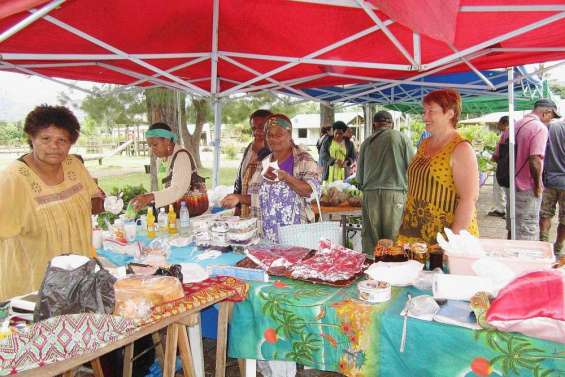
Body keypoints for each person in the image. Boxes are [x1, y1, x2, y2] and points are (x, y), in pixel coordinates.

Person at [0, 105, 103, 300]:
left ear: (71, 143)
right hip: (34, 287)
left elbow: (92, 201)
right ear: (32, 138)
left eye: (62, 140)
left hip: (78, 279)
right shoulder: (12, 179)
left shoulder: (74, 165)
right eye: (45, 139)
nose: (54, 146)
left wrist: (107, 203)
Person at [398, 89, 480, 245]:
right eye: (424, 111)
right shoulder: (424, 144)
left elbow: (468, 200)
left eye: (431, 111)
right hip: (415, 232)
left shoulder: (461, 148)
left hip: (446, 237)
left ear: (450, 113)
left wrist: (453, 244)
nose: (425, 117)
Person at [221, 114, 321, 242]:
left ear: (290, 135)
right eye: (270, 135)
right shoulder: (264, 163)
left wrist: (286, 177)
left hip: (295, 235)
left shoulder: (304, 160)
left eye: (279, 134)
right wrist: (238, 198)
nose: (273, 139)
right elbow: (257, 197)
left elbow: (309, 191)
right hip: (266, 235)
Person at [356, 110, 415, 255]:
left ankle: (371, 271)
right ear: (392, 124)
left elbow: (359, 179)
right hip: (395, 195)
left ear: (374, 125)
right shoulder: (402, 138)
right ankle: (393, 273)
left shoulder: (366, 143)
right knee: (393, 238)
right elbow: (413, 169)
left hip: (370, 195)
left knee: (371, 238)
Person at [499, 99, 555, 240]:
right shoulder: (539, 128)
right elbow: (535, 159)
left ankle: (510, 258)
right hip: (526, 188)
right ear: (546, 113)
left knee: (512, 227)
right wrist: (537, 186)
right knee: (527, 231)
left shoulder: (512, 127)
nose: (550, 120)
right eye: (552, 116)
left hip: (510, 184)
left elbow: (497, 156)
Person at [131, 122, 193, 211]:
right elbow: (165, 188)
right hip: (172, 212)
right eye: (150, 146)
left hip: (187, 214)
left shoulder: (181, 156)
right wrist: (148, 200)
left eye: (155, 144)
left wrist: (151, 197)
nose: (152, 149)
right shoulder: (161, 159)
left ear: (167, 140)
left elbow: (177, 189)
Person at [232, 109, 272, 217]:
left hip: (266, 214)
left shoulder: (278, 151)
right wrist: (238, 206)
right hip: (247, 211)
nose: (256, 132)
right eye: (254, 128)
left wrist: (262, 152)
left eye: (261, 127)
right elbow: (240, 178)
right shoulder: (249, 148)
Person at [539, 119, 565, 255]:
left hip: (550, 179)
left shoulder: (551, 127)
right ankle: (558, 248)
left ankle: (543, 245)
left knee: (545, 214)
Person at [488, 116, 509, 218]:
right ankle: (504, 210)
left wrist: (492, 159)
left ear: (504, 123)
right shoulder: (512, 133)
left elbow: (497, 152)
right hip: (509, 166)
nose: (497, 125)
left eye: (499, 123)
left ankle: (501, 209)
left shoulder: (505, 134)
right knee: (506, 189)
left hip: (503, 166)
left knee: (500, 188)